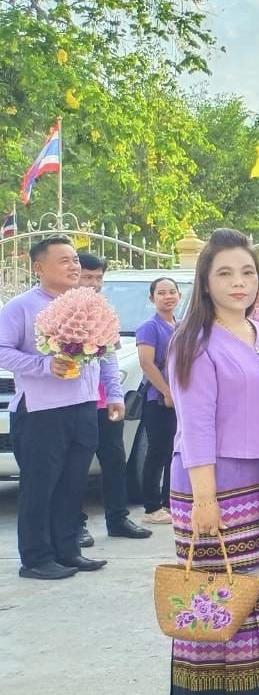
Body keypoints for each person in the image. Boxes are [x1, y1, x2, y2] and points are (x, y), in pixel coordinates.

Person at [164, 229, 259, 695]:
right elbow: (195, 423)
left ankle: (253, 693)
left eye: (247, 272)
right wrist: (204, 499)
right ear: (205, 281)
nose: (239, 282)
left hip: (257, 477)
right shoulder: (193, 340)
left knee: (252, 586)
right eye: (225, 273)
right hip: (210, 480)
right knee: (217, 587)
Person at [0, 237, 121, 579]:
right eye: (64, 261)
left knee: (73, 484)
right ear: (38, 267)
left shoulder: (89, 305)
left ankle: (67, 551)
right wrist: (44, 365)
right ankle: (36, 559)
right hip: (41, 412)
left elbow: (107, 352)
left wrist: (113, 394)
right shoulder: (22, 307)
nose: (74, 266)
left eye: (74, 260)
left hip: (83, 406)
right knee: (40, 487)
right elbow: (2, 350)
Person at [76, 253, 150, 541]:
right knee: (77, 465)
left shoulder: (104, 311)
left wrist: (115, 395)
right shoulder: (61, 313)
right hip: (75, 402)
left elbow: (109, 356)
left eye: (98, 278)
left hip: (103, 400)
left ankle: (118, 519)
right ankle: (76, 524)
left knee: (115, 459)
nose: (94, 283)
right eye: (87, 276)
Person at [135, 277, 182, 527]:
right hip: (158, 399)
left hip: (178, 399)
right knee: (157, 451)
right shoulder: (149, 327)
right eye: (162, 293)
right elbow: (146, 363)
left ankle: (170, 503)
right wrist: (166, 392)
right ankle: (152, 507)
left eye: (172, 292)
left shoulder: (180, 325)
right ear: (152, 298)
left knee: (174, 451)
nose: (168, 296)